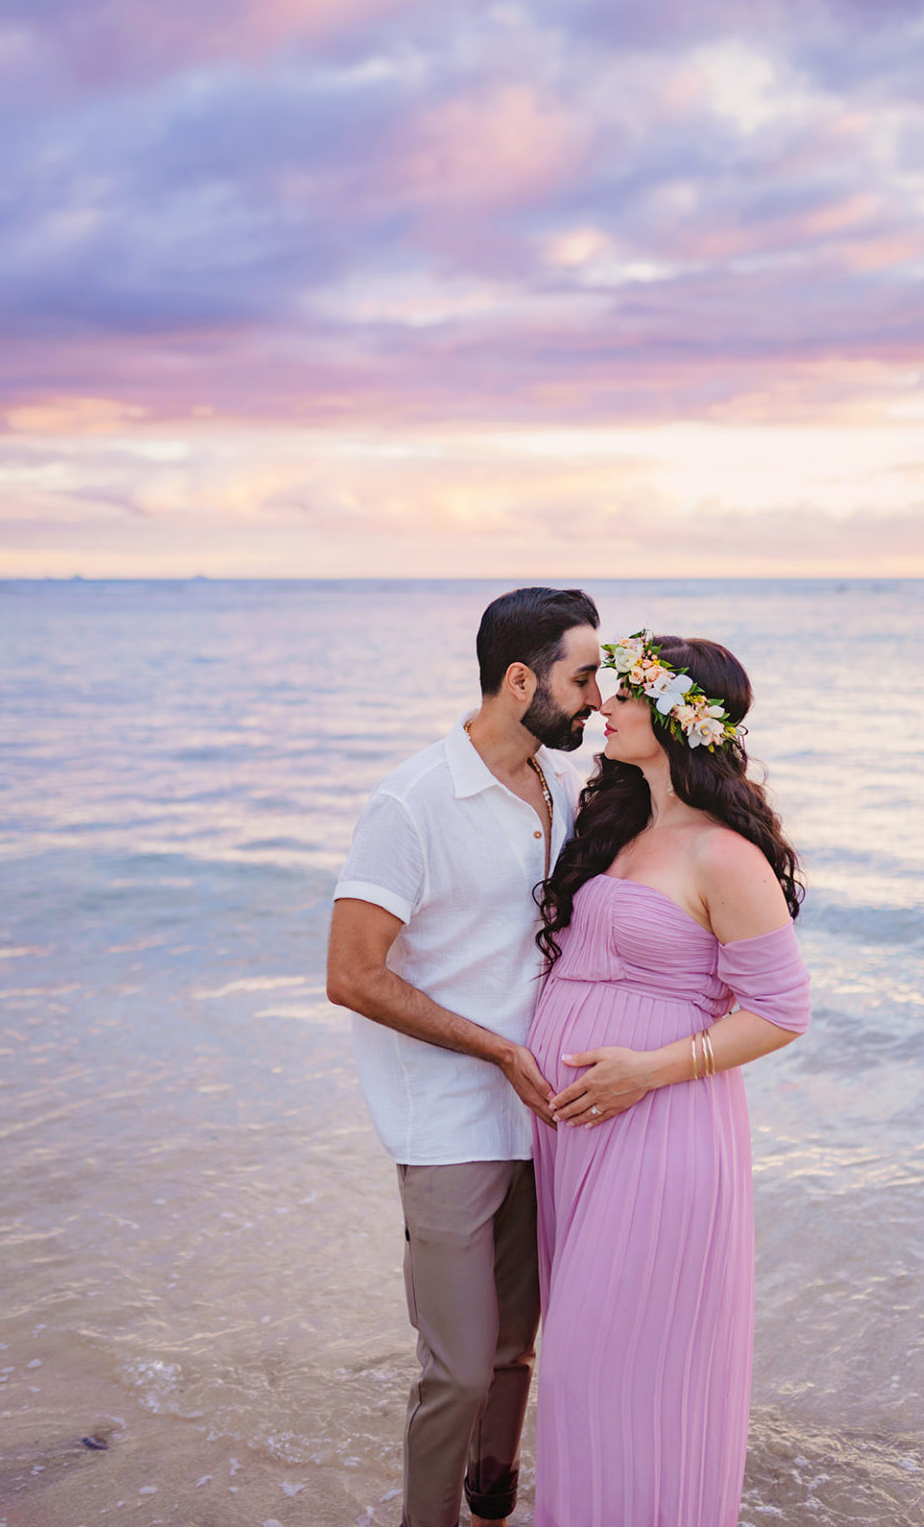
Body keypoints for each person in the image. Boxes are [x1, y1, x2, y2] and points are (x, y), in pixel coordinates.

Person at [326, 586, 602, 1527]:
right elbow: (354, 975)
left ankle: (494, 1495)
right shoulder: (412, 801)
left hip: (548, 1115)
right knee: (454, 1366)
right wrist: (494, 1050)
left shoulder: (568, 788)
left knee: (516, 1350)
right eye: (585, 676)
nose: (599, 698)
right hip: (446, 1120)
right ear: (520, 679)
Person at [529, 631, 811, 1527]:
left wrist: (646, 1072)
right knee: (582, 1378)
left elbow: (781, 1010)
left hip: (660, 1132)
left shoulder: (723, 853)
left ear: (682, 717)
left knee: (596, 1359)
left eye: (624, 696)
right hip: (575, 1132)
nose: (600, 708)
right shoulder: (611, 822)